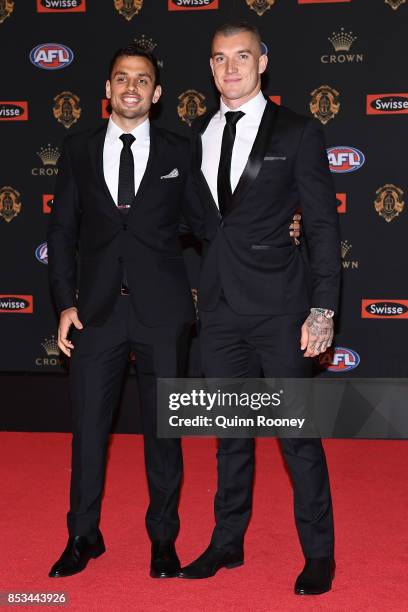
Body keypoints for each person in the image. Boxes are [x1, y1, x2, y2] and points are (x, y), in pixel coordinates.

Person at [47, 42, 300, 580]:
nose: (131, 87)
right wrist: (65, 304)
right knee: (88, 432)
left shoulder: (179, 150)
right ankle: (82, 535)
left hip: (162, 317)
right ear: (107, 90)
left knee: (165, 436)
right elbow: (61, 231)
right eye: (121, 78)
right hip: (94, 316)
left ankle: (163, 539)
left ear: (156, 94)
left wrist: (279, 228)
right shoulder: (76, 148)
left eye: (142, 80)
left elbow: (212, 223)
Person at [177, 22, 341, 596]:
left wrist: (323, 309)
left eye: (242, 56)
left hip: (281, 310)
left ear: (263, 61)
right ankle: (228, 542)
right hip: (220, 310)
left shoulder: (298, 131)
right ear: (211, 66)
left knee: (297, 436)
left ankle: (319, 555)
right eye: (220, 59)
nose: (230, 68)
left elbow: (321, 224)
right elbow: (199, 222)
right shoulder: (194, 135)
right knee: (231, 436)